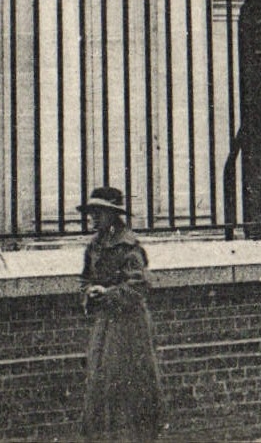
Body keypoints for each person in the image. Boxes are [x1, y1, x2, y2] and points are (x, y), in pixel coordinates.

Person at [80, 185, 163, 442]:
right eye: (91, 212)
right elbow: (85, 278)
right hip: (105, 325)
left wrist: (107, 294)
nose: (93, 217)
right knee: (101, 383)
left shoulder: (129, 247)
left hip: (129, 327)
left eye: (98, 212)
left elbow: (138, 286)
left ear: (112, 215)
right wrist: (89, 292)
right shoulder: (94, 246)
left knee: (129, 385)